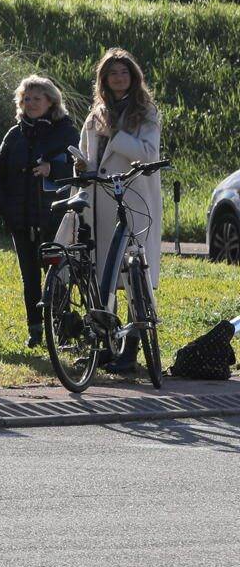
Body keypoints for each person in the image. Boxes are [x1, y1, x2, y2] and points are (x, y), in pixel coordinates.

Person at [75, 48, 163, 373]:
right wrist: (82, 165)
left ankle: (131, 350)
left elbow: (149, 154)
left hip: (133, 199)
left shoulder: (145, 112)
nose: (119, 78)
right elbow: (89, 154)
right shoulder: (95, 113)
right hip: (101, 201)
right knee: (105, 275)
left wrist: (117, 135)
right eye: (112, 73)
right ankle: (105, 345)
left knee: (133, 275)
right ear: (104, 79)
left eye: (124, 72)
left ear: (133, 76)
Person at [0, 75, 80, 348]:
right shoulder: (15, 134)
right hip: (21, 219)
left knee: (58, 275)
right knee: (29, 278)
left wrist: (54, 169)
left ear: (51, 101)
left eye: (37, 98)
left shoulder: (66, 132)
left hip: (54, 217)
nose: (31, 104)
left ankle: (62, 328)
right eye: (26, 99)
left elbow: (82, 166)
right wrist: (1, 205)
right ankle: (35, 329)